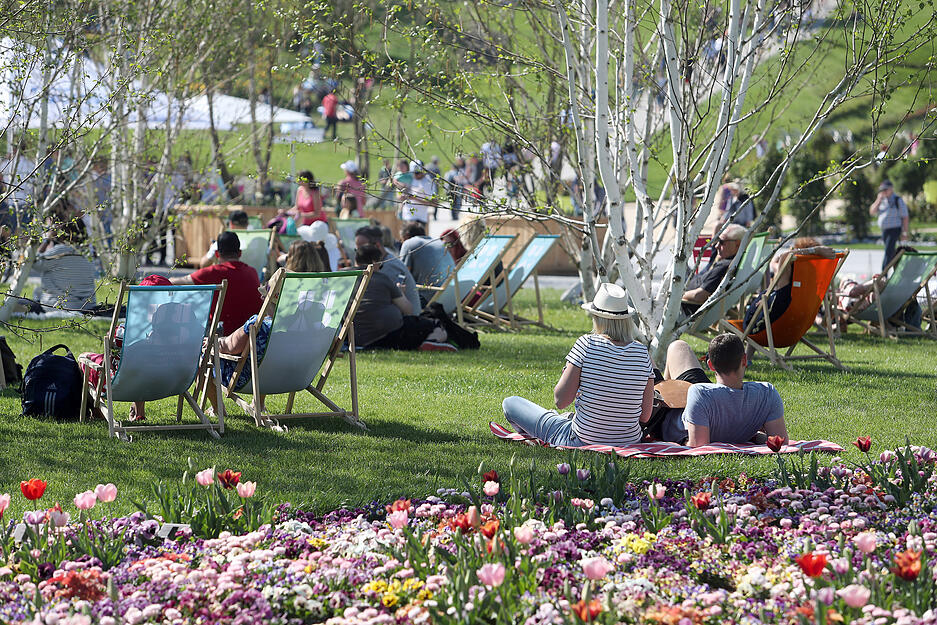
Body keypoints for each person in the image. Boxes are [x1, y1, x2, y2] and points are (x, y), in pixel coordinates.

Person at [501, 283, 654, 447]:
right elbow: (645, 416)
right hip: (628, 441)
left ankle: (549, 427)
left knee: (510, 403)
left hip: (580, 440)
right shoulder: (642, 352)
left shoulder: (586, 344)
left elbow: (560, 401)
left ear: (597, 317)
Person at [653, 334, 788, 448]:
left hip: (664, 414)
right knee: (678, 347)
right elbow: (780, 442)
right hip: (707, 401)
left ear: (710, 365)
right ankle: (665, 385)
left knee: (651, 351)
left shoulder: (700, 393)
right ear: (745, 360)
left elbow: (698, 446)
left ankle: (663, 388)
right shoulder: (767, 393)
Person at [352, 244, 455, 351]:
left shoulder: (347, 277)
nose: (380, 269)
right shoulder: (382, 278)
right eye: (380, 265)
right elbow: (408, 310)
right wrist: (401, 293)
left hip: (355, 336)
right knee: (436, 323)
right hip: (388, 334)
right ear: (374, 262)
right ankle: (431, 341)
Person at [171, 231, 263, 334]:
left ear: (216, 253)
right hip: (251, 335)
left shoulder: (211, 272)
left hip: (221, 337)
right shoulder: (252, 272)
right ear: (240, 253)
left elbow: (176, 282)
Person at [742, 237, 834, 334]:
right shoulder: (810, 289)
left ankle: (748, 349)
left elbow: (785, 256)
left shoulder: (784, 290)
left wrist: (815, 250)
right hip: (797, 327)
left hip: (766, 328)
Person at [681, 224, 747, 315]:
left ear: (737, 244)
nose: (716, 246)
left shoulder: (724, 266)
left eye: (722, 242)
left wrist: (675, 295)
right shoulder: (734, 263)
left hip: (687, 306)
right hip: (689, 286)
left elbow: (699, 296)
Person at [32, 222, 97, 313]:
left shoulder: (60, 251)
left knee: (27, 299)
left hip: (59, 306)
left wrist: (47, 240)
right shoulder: (87, 253)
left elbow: (33, 261)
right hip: (88, 306)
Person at [355, 225, 421, 313]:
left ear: (377, 245)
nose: (358, 254)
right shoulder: (383, 261)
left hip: (406, 321)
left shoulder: (390, 267)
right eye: (357, 249)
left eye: (362, 248)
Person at [398, 223, 456, 305]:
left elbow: (402, 275)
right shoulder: (439, 243)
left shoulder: (409, 243)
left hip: (427, 299)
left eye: (402, 240)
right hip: (450, 296)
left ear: (406, 236)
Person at [869, 180, 910, 270]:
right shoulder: (881, 200)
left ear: (891, 189)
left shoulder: (897, 200)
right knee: (891, 252)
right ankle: (898, 269)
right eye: (882, 190)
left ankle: (883, 274)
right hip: (885, 231)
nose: (884, 192)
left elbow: (905, 216)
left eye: (886, 189)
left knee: (888, 251)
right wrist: (878, 200)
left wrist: (905, 232)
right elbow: (872, 212)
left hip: (895, 229)